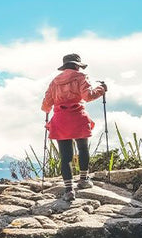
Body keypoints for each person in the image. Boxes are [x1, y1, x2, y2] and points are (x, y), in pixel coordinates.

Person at [42, 53, 107, 201]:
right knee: (82, 148)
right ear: (77, 65)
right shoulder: (81, 77)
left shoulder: (54, 82)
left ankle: (69, 190)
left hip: (60, 120)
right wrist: (101, 89)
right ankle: (84, 180)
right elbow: (88, 96)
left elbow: (46, 104)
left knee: (65, 156)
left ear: (64, 67)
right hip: (78, 117)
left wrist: (48, 111)